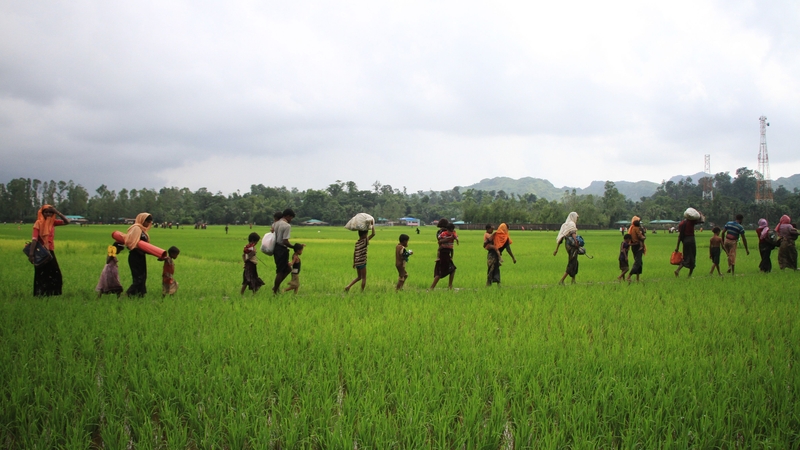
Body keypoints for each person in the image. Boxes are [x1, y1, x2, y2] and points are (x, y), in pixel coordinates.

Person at [30, 205, 70, 296]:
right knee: (41, 273)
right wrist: (31, 253)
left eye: (50, 212)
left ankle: (52, 293)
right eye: (46, 212)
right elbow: (34, 239)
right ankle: (40, 294)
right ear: (42, 213)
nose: (48, 214)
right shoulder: (38, 223)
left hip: (50, 251)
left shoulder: (52, 222)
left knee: (55, 272)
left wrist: (57, 212)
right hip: (40, 251)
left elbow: (67, 222)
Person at [124, 213, 154, 297]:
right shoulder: (136, 228)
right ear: (142, 220)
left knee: (143, 276)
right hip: (135, 256)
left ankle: (140, 295)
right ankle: (127, 295)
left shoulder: (142, 230)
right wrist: (139, 250)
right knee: (138, 278)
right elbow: (131, 243)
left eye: (149, 222)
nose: (148, 224)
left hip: (141, 256)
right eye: (147, 221)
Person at [345, 221, 376, 292]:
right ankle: (362, 291)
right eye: (367, 234)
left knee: (359, 277)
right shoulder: (364, 241)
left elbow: (354, 253)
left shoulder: (357, 243)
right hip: (362, 262)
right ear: (364, 235)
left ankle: (348, 286)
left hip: (357, 262)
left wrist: (354, 262)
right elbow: (373, 234)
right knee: (364, 278)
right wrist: (372, 225)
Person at [272, 209, 296, 293]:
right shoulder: (286, 226)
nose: (291, 220)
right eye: (291, 218)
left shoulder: (275, 223)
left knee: (288, 269)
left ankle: (276, 286)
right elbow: (285, 241)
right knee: (280, 271)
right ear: (288, 216)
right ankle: (275, 290)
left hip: (275, 248)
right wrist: (294, 247)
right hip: (282, 249)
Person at [430, 219, 457, 290]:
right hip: (443, 252)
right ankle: (432, 288)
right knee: (440, 271)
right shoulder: (442, 232)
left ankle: (450, 286)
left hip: (445, 252)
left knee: (451, 269)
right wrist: (450, 238)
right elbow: (440, 241)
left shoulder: (442, 232)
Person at [674, 211, 703, 277]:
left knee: (685, 257)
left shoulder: (681, 223)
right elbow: (701, 221)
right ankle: (689, 275)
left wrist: (677, 247)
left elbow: (680, 236)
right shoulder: (691, 222)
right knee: (692, 257)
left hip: (685, 241)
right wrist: (700, 214)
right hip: (691, 240)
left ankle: (678, 270)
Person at [553, 212, 579, 285]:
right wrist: (576, 241)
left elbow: (561, 238)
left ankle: (573, 280)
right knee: (572, 263)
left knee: (575, 261)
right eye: (576, 217)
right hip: (572, 245)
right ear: (573, 217)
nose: (577, 219)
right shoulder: (571, 224)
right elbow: (573, 233)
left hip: (567, 245)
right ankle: (561, 280)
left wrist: (556, 249)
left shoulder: (565, 225)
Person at [626, 216, 646, 283]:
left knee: (639, 262)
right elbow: (640, 236)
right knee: (638, 262)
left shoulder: (631, 228)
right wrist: (644, 237)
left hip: (634, 246)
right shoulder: (637, 229)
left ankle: (637, 278)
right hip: (638, 246)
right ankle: (629, 276)